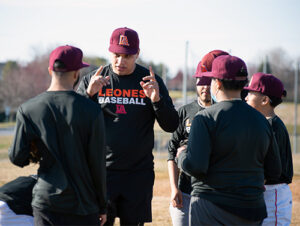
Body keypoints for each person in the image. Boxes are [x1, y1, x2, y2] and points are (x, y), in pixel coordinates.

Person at [77, 27, 179, 225]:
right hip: (101, 173)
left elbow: (171, 125)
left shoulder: (150, 81)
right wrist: (87, 96)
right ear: (109, 52)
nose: (120, 61)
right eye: (116, 55)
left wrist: (157, 100)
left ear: (137, 54)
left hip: (137, 174)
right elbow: (73, 124)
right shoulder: (94, 80)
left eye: (127, 56)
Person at [177, 55, 282, 225]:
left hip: (212, 207)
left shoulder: (205, 118)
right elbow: (274, 171)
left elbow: (196, 166)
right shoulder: (262, 120)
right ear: (243, 83)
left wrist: (181, 156)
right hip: (252, 208)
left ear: (217, 83)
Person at [9, 45, 107, 226]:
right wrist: (102, 205)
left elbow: (17, 158)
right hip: (83, 204)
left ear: (50, 70)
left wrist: (35, 150)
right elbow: (97, 163)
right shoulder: (91, 110)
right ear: (77, 73)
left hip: (46, 202)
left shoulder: (28, 109)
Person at [167, 50, 228, 226]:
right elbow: (172, 151)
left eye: (209, 82)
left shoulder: (225, 112)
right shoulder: (185, 112)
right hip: (185, 192)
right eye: (201, 82)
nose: (205, 87)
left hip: (216, 193)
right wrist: (174, 188)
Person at [244, 72, 293, 225]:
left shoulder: (274, 127)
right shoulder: (263, 124)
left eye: (251, 93)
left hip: (273, 195)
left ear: (265, 100)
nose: (245, 97)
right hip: (263, 192)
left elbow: (270, 169)